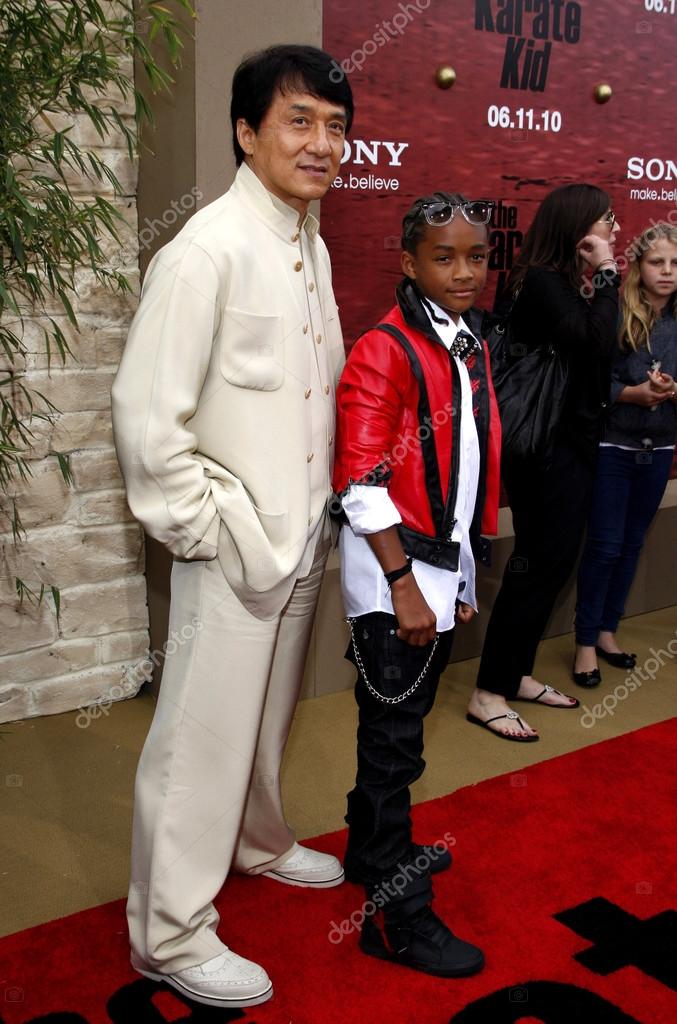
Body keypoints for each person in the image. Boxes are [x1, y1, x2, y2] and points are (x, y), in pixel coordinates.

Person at [111, 45, 353, 1010]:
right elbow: (144, 414)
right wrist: (206, 529)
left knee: (264, 718)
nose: (322, 142)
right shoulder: (204, 248)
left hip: (302, 537)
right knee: (197, 741)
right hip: (233, 544)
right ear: (247, 132)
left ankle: (255, 839)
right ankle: (167, 932)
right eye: (299, 121)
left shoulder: (310, 240)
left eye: (336, 124)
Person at [332, 192, 501, 976]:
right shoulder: (384, 349)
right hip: (391, 574)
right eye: (445, 257)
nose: (464, 271)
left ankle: (369, 852)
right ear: (408, 262)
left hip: (437, 566)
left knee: (399, 729)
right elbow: (361, 487)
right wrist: (403, 585)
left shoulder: (466, 342)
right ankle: (396, 921)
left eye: (475, 255)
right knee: (394, 743)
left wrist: (461, 573)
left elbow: (462, 476)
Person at [465, 183, 621, 741]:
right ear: (578, 228)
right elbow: (596, 340)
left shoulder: (554, 283)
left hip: (569, 447)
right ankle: (487, 694)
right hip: (547, 452)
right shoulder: (541, 283)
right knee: (536, 566)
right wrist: (606, 273)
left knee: (552, 565)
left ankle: (514, 674)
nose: (615, 232)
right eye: (607, 222)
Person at [574, 222, 677, 683]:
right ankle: (583, 645)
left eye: (675, 264)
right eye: (657, 262)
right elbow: (589, 383)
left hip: (661, 448)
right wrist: (630, 394)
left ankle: (606, 631)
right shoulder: (614, 313)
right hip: (614, 446)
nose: (668, 272)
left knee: (632, 544)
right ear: (638, 265)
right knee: (605, 546)